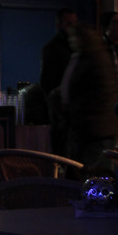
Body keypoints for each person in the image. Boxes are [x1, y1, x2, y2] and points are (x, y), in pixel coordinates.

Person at [60, 23, 118, 169]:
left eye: (73, 37)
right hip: (92, 128)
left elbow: (100, 94)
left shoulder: (93, 58)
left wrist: (76, 111)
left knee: (93, 172)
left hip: (95, 129)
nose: (71, 41)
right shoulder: (89, 56)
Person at [40, 8, 77, 154]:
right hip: (62, 111)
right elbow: (47, 83)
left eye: (74, 23)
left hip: (74, 112)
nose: (73, 28)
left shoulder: (77, 48)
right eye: (69, 24)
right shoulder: (53, 49)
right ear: (59, 25)